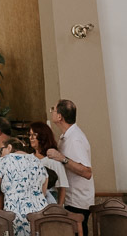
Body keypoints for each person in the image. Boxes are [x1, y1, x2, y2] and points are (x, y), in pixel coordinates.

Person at [46, 100, 94, 236]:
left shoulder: (76, 139)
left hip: (77, 201)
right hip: (70, 198)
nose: (51, 112)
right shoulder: (66, 137)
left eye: (53, 110)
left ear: (60, 116)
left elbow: (87, 172)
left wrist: (62, 158)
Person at [0, 136, 48, 236]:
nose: (0, 153)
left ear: (9, 147)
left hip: (16, 215)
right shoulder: (38, 161)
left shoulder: (2, 161)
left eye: (1, 150)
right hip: (40, 215)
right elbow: (43, 191)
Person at [29, 121, 67, 205]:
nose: (31, 138)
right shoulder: (28, 158)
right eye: (30, 135)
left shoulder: (53, 161)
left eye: (34, 135)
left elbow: (62, 187)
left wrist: (59, 208)